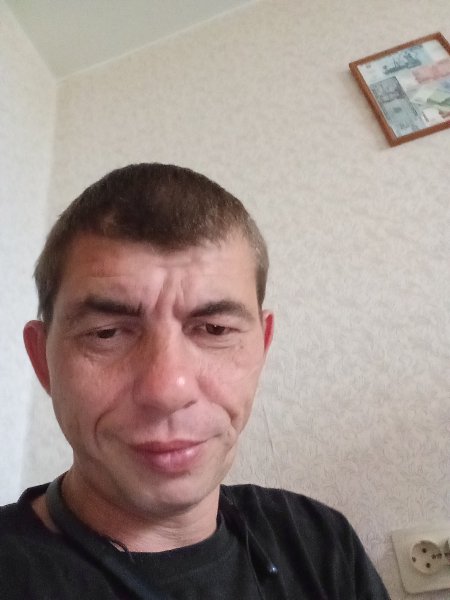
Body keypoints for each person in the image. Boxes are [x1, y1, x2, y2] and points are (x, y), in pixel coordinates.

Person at [0, 163, 390, 599]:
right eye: (106, 334)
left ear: (262, 347)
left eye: (215, 330)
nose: (168, 390)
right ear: (43, 360)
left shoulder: (321, 543)